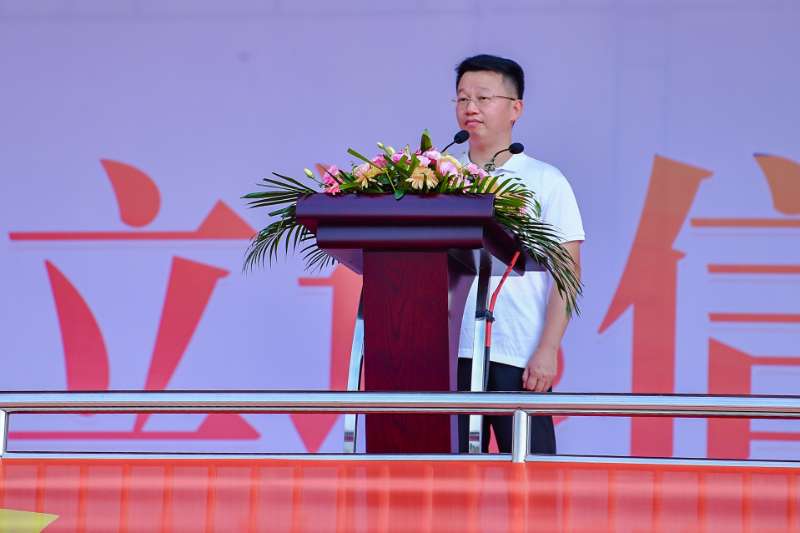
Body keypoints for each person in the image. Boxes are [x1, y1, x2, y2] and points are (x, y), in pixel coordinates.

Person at [454, 54, 584, 454]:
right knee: (448, 473)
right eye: (462, 98)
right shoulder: (438, 177)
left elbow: (567, 275)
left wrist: (548, 349)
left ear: (515, 108)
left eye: (483, 97)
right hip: (449, 350)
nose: (470, 107)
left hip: (517, 352)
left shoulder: (545, 180)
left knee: (532, 472)